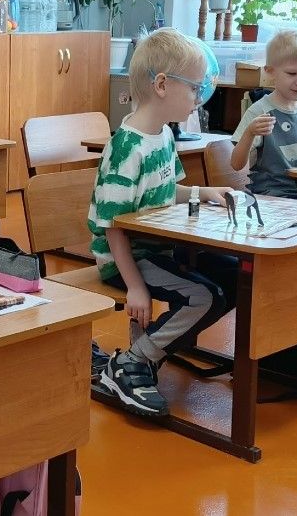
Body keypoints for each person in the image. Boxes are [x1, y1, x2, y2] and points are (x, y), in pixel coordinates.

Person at [89, 28, 236, 416]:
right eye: (194, 87)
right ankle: (132, 363)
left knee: (234, 276)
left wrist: (204, 192)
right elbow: (113, 225)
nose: (199, 97)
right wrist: (135, 286)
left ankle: (146, 353)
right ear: (161, 85)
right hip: (126, 258)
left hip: (157, 249)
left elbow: (167, 191)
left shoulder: (164, 137)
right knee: (205, 296)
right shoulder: (126, 147)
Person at [229, 30, 297, 202]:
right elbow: (236, 164)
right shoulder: (259, 111)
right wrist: (250, 133)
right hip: (276, 192)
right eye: (292, 73)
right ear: (270, 71)